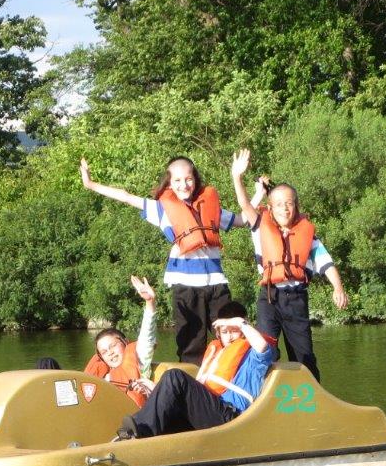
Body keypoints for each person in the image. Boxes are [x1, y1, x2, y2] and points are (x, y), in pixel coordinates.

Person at [80, 155, 263, 365]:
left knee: (231, 337)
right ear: (169, 183)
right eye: (177, 180)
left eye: (188, 179)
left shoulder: (209, 207)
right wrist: (91, 184)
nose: (184, 185)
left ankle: (233, 383)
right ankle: (191, 389)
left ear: (195, 179)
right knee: (191, 345)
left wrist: (257, 194)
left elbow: (243, 219)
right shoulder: (162, 208)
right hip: (185, 287)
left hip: (216, 284)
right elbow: (126, 196)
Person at [229, 149, 348, 381]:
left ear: (296, 207)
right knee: (264, 348)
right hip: (269, 297)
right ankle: (261, 396)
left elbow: (326, 264)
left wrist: (338, 288)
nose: (285, 208)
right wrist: (237, 177)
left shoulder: (308, 235)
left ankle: (311, 397)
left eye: (290, 204)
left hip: (295, 299)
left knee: (303, 355)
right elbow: (244, 205)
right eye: (280, 204)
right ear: (270, 208)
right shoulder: (259, 225)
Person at [114, 301, 273, 440]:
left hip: (231, 417)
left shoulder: (254, 357)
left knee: (175, 376)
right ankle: (135, 436)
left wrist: (241, 323)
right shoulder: (217, 353)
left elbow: (263, 347)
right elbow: (199, 398)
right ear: (218, 333)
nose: (230, 337)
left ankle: (141, 432)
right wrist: (155, 390)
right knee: (170, 407)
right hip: (211, 412)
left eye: (234, 330)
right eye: (225, 332)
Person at [35, 276, 158, 406]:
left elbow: (146, 336)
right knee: (46, 363)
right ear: (101, 357)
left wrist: (150, 303)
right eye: (104, 352)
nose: (110, 353)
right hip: (95, 416)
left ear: (125, 343)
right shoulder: (103, 377)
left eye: (113, 346)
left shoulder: (139, 359)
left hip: (130, 420)